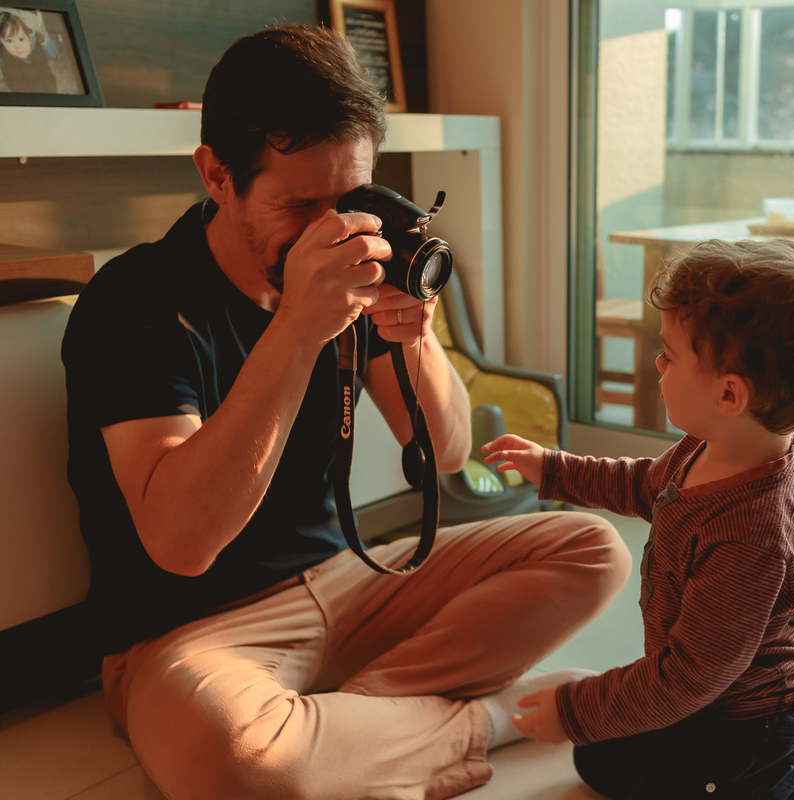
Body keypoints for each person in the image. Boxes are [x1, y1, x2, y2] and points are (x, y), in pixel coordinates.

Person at [60, 25, 631, 800]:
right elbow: (181, 544)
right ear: (216, 176)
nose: (336, 230)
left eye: (350, 196)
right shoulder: (136, 304)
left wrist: (414, 334)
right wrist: (298, 328)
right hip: (192, 632)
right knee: (236, 757)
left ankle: (347, 727)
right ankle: (490, 717)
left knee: (595, 549)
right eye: (300, 205)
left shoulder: (355, 270)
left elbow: (450, 451)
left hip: (347, 581)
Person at [482, 238, 794, 799]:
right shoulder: (704, 449)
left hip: (746, 731)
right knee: (599, 759)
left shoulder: (752, 536)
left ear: (730, 393)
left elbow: (685, 677)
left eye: (669, 352)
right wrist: (555, 470)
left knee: (640, 757)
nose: (657, 363)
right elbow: (644, 484)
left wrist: (574, 710)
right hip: (700, 699)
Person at [0, 9, 58, 94]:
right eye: (9, 41)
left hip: (45, 86)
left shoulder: (38, 38)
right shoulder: (3, 53)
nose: (17, 46)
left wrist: (44, 40)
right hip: (18, 89)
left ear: (30, 38)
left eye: (21, 39)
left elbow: (53, 54)